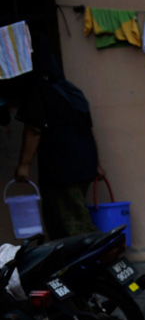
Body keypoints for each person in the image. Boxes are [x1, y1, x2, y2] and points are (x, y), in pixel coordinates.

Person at [13, 53, 102, 240]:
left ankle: (99, 260)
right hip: (84, 163)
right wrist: (96, 164)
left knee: (71, 223)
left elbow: (34, 129)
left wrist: (24, 165)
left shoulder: (39, 90)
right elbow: (86, 128)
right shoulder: (71, 91)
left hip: (62, 168)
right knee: (71, 216)